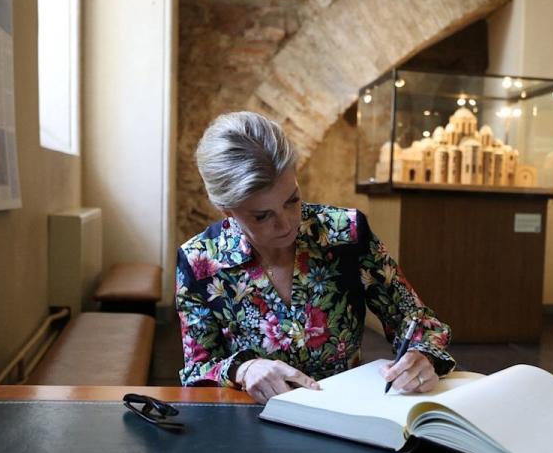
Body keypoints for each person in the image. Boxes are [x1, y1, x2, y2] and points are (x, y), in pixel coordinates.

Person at [177, 111, 455, 404]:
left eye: (292, 200)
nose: (286, 224)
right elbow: (197, 369)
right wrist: (243, 369)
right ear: (227, 210)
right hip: (254, 421)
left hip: (345, 413)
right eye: (262, 216)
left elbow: (417, 321)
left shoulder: (345, 233)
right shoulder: (200, 261)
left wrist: (420, 355)